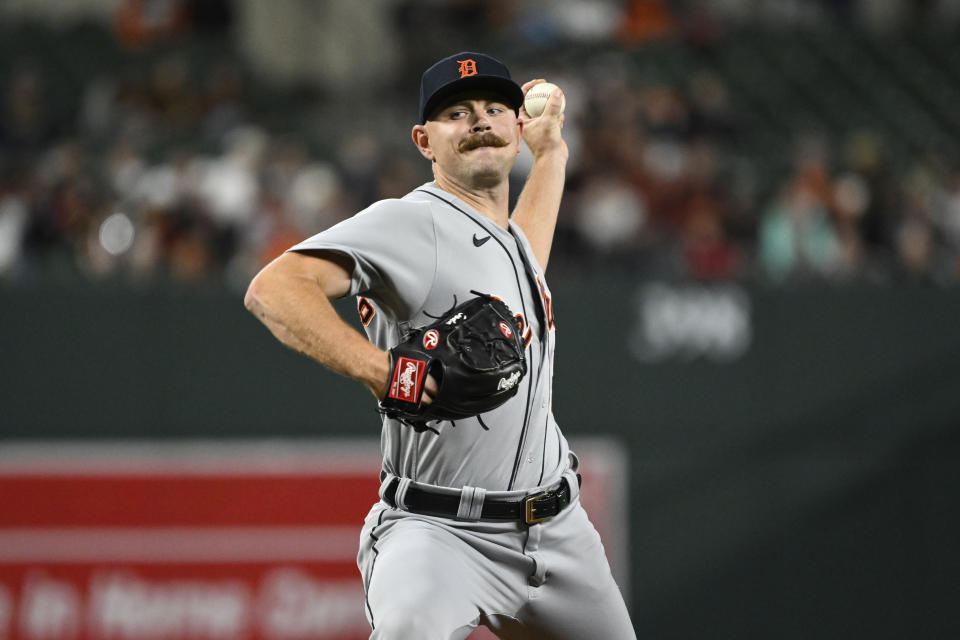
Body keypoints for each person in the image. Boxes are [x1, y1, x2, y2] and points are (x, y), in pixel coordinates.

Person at [245, 52, 636, 640]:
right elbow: (273, 288)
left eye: (493, 108)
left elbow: (521, 256)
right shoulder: (411, 223)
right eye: (457, 113)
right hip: (440, 532)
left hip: (558, 532)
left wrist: (551, 153)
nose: (480, 120)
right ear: (425, 141)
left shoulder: (502, 238)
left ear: (516, 127)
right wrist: (382, 371)